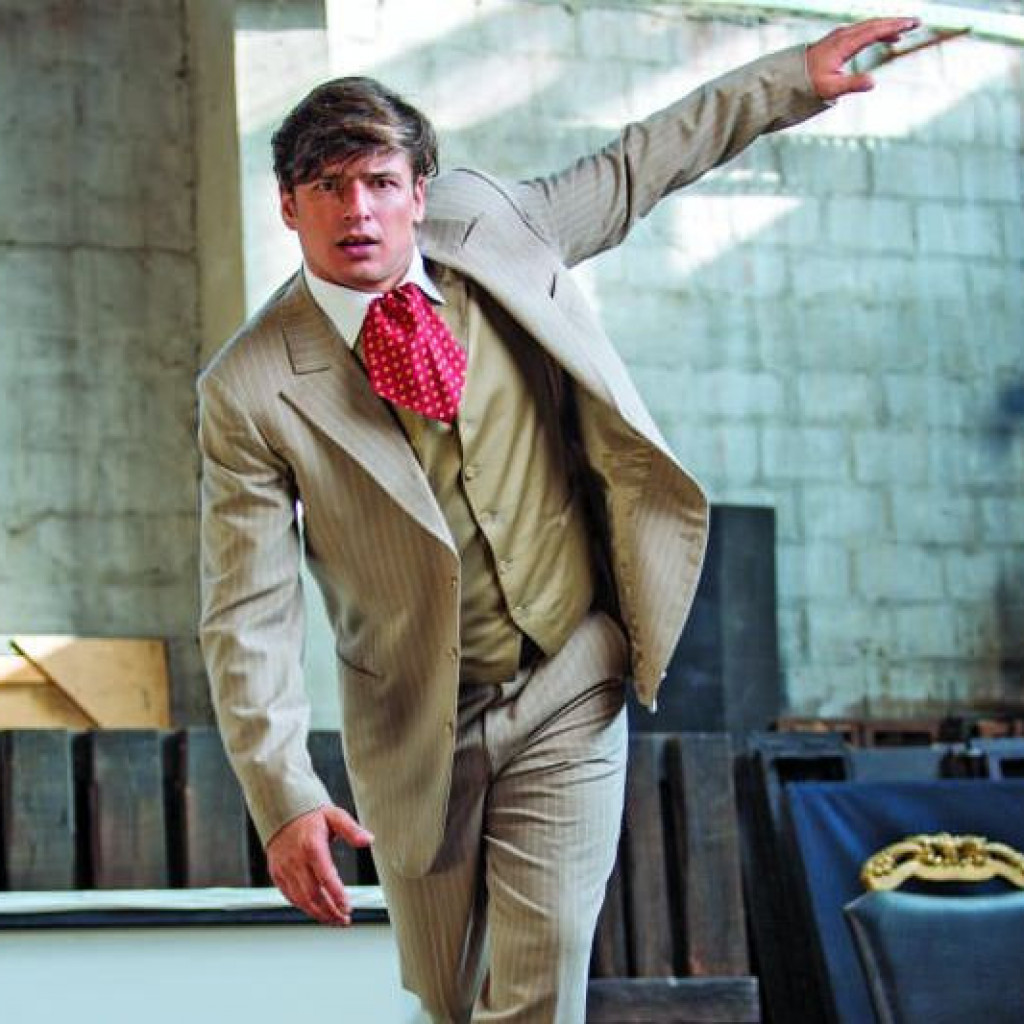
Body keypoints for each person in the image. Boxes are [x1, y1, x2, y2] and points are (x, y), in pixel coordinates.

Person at [198, 17, 918, 1022]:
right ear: (287, 205)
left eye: (380, 182)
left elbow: (636, 166)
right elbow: (247, 610)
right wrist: (282, 794)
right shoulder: (250, 385)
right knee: (451, 1000)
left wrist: (789, 79)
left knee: (538, 988)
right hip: (419, 723)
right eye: (326, 187)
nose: (356, 210)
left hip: (567, 676)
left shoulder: (493, 225)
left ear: (419, 192)